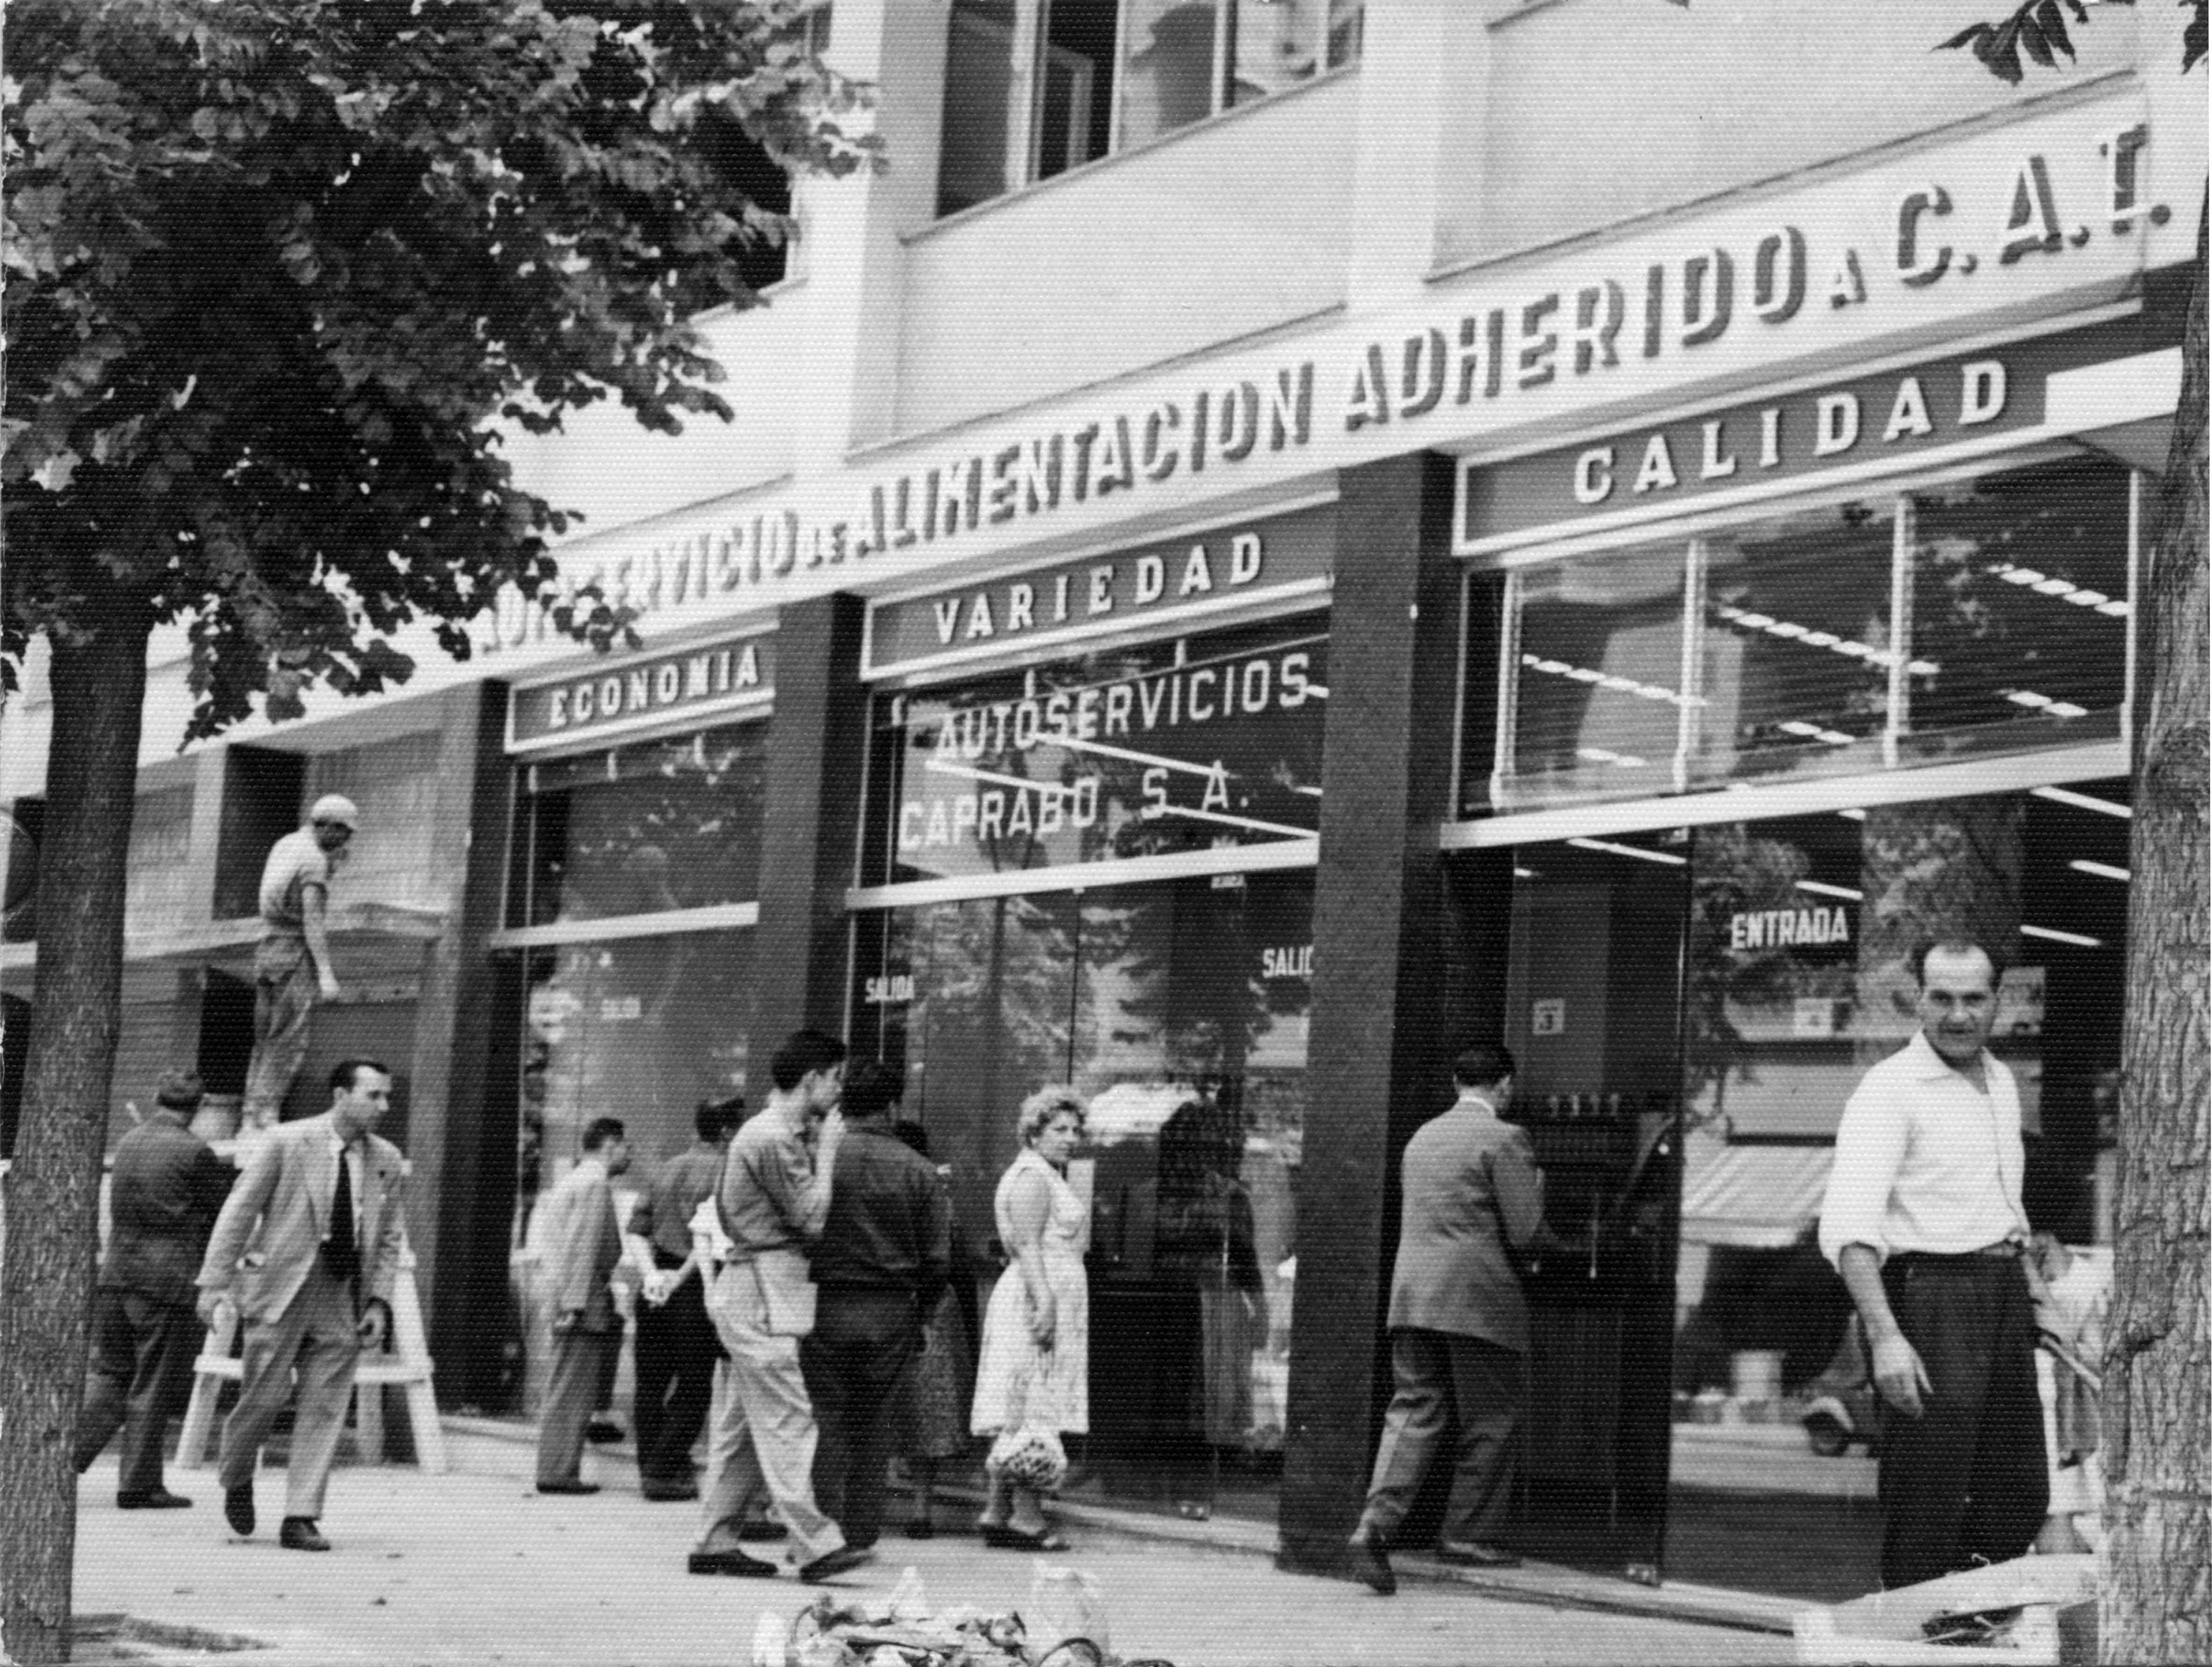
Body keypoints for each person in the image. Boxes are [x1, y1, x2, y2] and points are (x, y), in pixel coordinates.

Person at [1819, 937, 2050, 1592]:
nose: (1958, 1014)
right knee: (1928, 1499)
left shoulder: (2002, 1080)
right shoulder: (1889, 1088)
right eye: (1942, 997)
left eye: (1974, 998)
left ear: (1997, 1001)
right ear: (1916, 998)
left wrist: (2034, 1293)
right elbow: (1849, 1226)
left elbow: (1997, 1203)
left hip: (2002, 1294)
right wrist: (1887, 1335)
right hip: (1932, 1299)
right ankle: (1914, 1642)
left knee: (2019, 1494)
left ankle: (1963, 1631)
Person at [1348, 1044, 1544, 1596]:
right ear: (1504, 1085)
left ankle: (1373, 1525)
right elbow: (1525, 1231)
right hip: (1478, 1298)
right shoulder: (1505, 1138)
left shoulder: (1421, 1137)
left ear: (1458, 1082)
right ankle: (1466, 1536)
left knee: (1413, 1409)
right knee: (1491, 1417)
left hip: (1413, 1296)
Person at [195, 1058, 406, 1553]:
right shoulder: (286, 1141)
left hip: (341, 1292)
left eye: (386, 1096)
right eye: (373, 1095)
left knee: (326, 1405)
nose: (384, 1106)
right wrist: (213, 1282)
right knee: (262, 1399)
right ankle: (238, 1474)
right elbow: (240, 1209)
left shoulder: (386, 1158)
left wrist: (379, 1300)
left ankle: (301, 1514)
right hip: (281, 1287)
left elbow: (391, 1234)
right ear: (340, 1094)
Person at [689, 1028, 867, 1583]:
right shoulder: (773, 1137)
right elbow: (811, 1218)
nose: (839, 1091)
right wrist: (830, 1151)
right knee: (789, 1415)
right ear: (812, 1078)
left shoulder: (770, 1133)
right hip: (762, 1288)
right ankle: (816, 1543)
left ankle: (715, 1541)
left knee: (743, 1427)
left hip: (751, 1287)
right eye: (835, 1077)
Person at [799, 1061, 951, 1552]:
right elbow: (937, 1259)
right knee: (874, 1420)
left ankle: (820, 1530)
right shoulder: (920, 1171)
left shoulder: (820, 1159)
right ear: (892, 1107)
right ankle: (861, 1530)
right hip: (889, 1308)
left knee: (825, 1417)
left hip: (822, 1301)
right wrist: (924, 1313)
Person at [74, 1070, 236, 1508]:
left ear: (155, 1097)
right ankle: (138, 1485)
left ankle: (61, 1460)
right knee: (152, 1383)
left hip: (117, 1273)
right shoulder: (196, 1152)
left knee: (109, 1373)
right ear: (200, 1107)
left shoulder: (127, 1143)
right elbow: (223, 1212)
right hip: (165, 1281)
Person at [970, 1085, 1090, 1553]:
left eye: (1076, 1129)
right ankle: (1026, 1514)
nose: (1070, 1137)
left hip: (1044, 1291)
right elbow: (1028, 1244)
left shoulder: (1043, 1173)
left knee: (1021, 1402)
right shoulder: (1033, 1177)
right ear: (1034, 1132)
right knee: (1033, 1399)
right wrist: (1044, 1300)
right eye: (1059, 1128)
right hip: (1036, 1294)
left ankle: (997, 1509)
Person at [624, 1096, 745, 1501]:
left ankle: (656, 1468)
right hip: (696, 1287)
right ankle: (663, 1469)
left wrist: (652, 1275)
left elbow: (637, 1231)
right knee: (695, 1387)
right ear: (728, 1131)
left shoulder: (665, 1170)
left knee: (650, 1384)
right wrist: (678, 1278)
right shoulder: (727, 1171)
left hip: (655, 1285)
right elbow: (708, 1236)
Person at [240, 796, 358, 1130]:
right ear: (330, 826)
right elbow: (312, 921)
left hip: (267, 949)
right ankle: (264, 1116)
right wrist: (326, 974)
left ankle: (252, 1114)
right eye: (345, 832)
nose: (347, 840)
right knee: (289, 1037)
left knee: (265, 1036)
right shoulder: (314, 860)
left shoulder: (287, 844)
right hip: (293, 951)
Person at [533, 1116, 633, 1496]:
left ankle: (557, 1468)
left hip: (573, 1295)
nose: (630, 1155)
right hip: (581, 1299)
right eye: (627, 1146)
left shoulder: (576, 1180)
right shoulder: (594, 1183)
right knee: (571, 1389)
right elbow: (584, 1245)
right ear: (610, 1145)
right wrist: (575, 1304)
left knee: (566, 1385)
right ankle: (558, 1471)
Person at [886, 1120, 973, 1539]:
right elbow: (951, 1260)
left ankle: (867, 1499)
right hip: (934, 1306)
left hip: (887, 1301)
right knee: (929, 1408)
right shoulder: (939, 1197)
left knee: (882, 1405)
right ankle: (920, 1509)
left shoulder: (878, 1189)